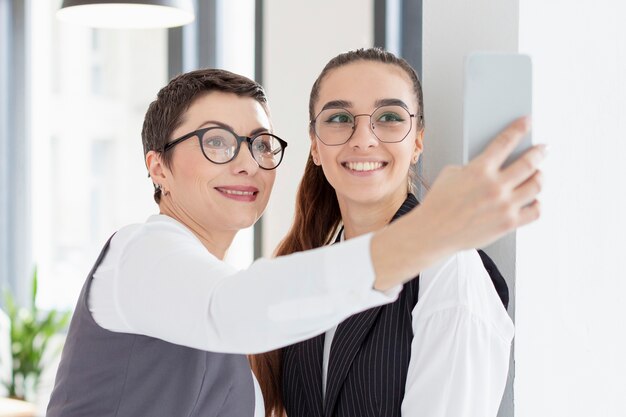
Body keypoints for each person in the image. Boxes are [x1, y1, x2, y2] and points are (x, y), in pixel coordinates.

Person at [47, 67, 543, 417]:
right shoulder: (141, 254)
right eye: (216, 141)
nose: (246, 162)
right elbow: (236, 310)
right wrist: (434, 228)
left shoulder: (223, 300)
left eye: (260, 144)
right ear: (159, 168)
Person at [251, 48, 543, 417]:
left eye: (388, 117)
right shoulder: (313, 276)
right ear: (315, 146)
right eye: (339, 118)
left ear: (417, 141)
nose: (363, 139)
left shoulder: (448, 269)